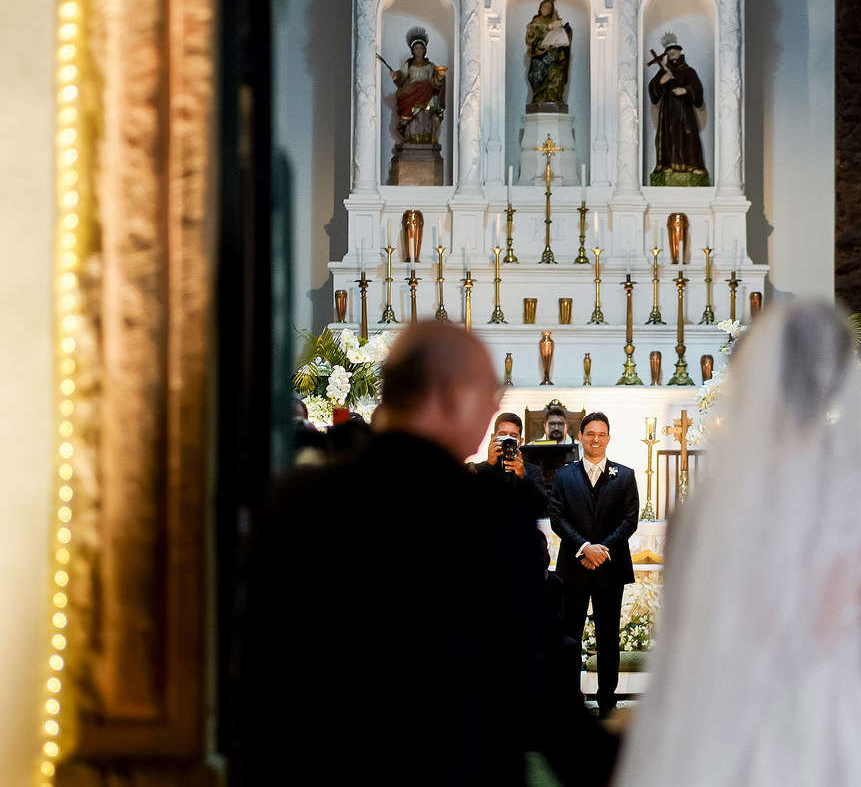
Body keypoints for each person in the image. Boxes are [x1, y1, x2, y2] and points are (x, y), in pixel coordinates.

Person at [615, 302, 861, 787]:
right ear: (830, 389)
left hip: (726, 743)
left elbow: (680, 663)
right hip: (846, 744)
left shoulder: (698, 514)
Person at [237, 322, 616, 787]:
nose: (493, 407)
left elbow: (259, 675)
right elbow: (539, 683)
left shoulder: (295, 501)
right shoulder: (487, 515)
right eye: (489, 392)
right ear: (450, 393)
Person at [549, 412, 639, 718]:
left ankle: (607, 703)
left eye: (601, 434)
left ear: (608, 438)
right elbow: (557, 517)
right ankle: (568, 702)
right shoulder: (564, 476)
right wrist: (584, 547)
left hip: (610, 568)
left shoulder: (624, 476)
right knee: (570, 637)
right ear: (581, 437)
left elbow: (630, 519)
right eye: (590, 433)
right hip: (574, 568)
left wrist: (603, 550)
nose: (596, 439)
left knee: (608, 637)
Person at [647, 34, 709, 185]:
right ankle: (667, 165)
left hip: (685, 111)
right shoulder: (663, 71)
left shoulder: (689, 71)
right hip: (668, 111)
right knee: (668, 136)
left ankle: (692, 165)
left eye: (674, 53)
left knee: (689, 134)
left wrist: (685, 90)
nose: (671, 56)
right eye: (669, 55)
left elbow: (697, 89)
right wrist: (660, 82)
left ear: (680, 53)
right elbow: (653, 88)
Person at [474, 412, 549, 509]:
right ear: (493, 438)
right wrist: (489, 466)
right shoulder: (477, 469)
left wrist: (523, 476)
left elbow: (542, 504)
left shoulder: (532, 471)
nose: (507, 439)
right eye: (503, 434)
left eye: (513, 435)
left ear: (520, 442)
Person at [386, 27, 447, 145]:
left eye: (420, 48)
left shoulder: (430, 66)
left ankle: (427, 138)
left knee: (426, 114)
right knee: (409, 115)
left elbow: (435, 82)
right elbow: (402, 76)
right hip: (412, 94)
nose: (418, 51)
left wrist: (440, 76)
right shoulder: (409, 65)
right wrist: (395, 75)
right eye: (416, 48)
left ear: (425, 50)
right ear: (412, 51)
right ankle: (410, 138)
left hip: (426, 94)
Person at [525, 0, 572, 107]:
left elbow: (562, 37)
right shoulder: (535, 21)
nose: (545, 9)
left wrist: (565, 31)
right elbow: (529, 40)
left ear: (551, 10)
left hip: (553, 54)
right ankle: (539, 97)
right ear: (540, 8)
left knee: (555, 75)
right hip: (539, 53)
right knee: (537, 75)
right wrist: (530, 33)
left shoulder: (554, 22)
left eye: (548, 8)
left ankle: (553, 97)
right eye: (543, 7)